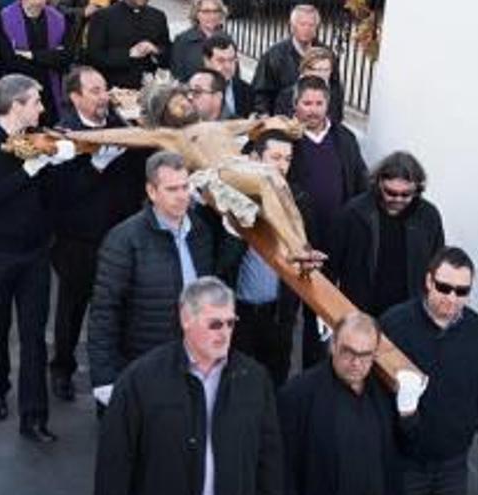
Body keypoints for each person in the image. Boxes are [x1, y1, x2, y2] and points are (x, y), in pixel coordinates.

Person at [94, 276, 283, 495]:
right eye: (214, 324)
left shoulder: (254, 380)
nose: (224, 334)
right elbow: (114, 466)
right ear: (186, 319)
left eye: (230, 323)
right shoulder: (140, 380)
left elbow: (269, 461)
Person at [0, 74, 74, 442]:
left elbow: (53, 199)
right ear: (16, 106)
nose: (43, 108)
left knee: (33, 337)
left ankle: (34, 416)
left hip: (35, 254)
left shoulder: (39, 141)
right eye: (36, 102)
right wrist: (28, 171)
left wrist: (63, 164)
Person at [380, 247, 478, 495]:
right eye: (444, 287)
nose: (452, 298)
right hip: (404, 462)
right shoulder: (395, 324)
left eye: (462, 291)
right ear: (428, 281)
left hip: (453, 464)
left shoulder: (476, 330)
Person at [47, 65, 148, 401]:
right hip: (78, 241)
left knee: (116, 309)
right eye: (94, 90)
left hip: (119, 235)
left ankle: (114, 371)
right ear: (74, 96)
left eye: (104, 88)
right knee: (72, 309)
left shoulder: (119, 126)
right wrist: (94, 168)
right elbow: (59, 195)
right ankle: (62, 368)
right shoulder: (63, 135)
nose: (103, 95)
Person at [86, 151, 216, 409]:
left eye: (185, 187)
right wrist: (104, 379)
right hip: (143, 364)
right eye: (172, 189)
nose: (182, 196)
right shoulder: (124, 240)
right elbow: (104, 312)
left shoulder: (200, 232)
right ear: (152, 191)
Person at [217, 129, 310, 387]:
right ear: (256, 159)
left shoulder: (298, 200)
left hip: (278, 315)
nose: (281, 165)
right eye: (275, 157)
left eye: (287, 159)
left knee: (274, 382)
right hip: (239, 315)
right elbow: (220, 264)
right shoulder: (230, 197)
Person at [287, 75, 368, 368]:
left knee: (325, 309)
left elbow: (359, 182)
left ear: (327, 105)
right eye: (306, 103)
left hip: (336, 239)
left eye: (318, 103)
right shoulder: (286, 136)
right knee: (290, 310)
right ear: (295, 104)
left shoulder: (344, 138)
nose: (312, 109)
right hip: (296, 241)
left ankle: (317, 366)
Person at [278, 312, 407, 495]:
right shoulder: (297, 395)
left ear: (375, 353)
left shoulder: (385, 392)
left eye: (365, 355)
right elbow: (285, 471)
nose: (356, 363)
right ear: (333, 345)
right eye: (348, 352)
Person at [330, 151, 444, 317]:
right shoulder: (353, 214)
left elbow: (437, 265)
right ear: (378, 183)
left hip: (409, 316)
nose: (398, 199)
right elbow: (331, 265)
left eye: (406, 194)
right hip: (361, 314)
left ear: (417, 189)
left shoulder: (429, 216)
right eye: (391, 192)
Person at [0, 0, 71, 127]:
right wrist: (48, 56)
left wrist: (31, 55)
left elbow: (64, 58)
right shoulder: (4, 18)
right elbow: (9, 60)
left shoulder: (59, 19)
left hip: (50, 95)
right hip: (18, 95)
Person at [251, 3, 330, 115]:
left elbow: (336, 91)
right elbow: (261, 92)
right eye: (302, 24)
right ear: (292, 26)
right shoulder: (274, 55)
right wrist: (265, 117)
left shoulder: (326, 54)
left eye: (311, 25)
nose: (307, 29)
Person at [85, 0, 170, 89]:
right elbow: (94, 56)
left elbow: (167, 53)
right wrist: (129, 54)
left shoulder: (158, 16)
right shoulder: (102, 16)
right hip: (114, 89)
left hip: (149, 90)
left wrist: (155, 50)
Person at [274, 46, 345, 123]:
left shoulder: (335, 91)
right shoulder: (287, 95)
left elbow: (336, 120)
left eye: (326, 70)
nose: (322, 74)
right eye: (317, 70)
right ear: (304, 70)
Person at [171, 0, 227, 81]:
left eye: (216, 11)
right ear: (196, 14)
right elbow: (177, 76)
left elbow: (233, 75)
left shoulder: (226, 40)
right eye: (206, 11)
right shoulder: (183, 41)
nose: (212, 16)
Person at [202, 33, 252, 118]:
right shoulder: (194, 91)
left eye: (231, 60)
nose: (227, 66)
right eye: (221, 60)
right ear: (207, 61)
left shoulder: (247, 91)